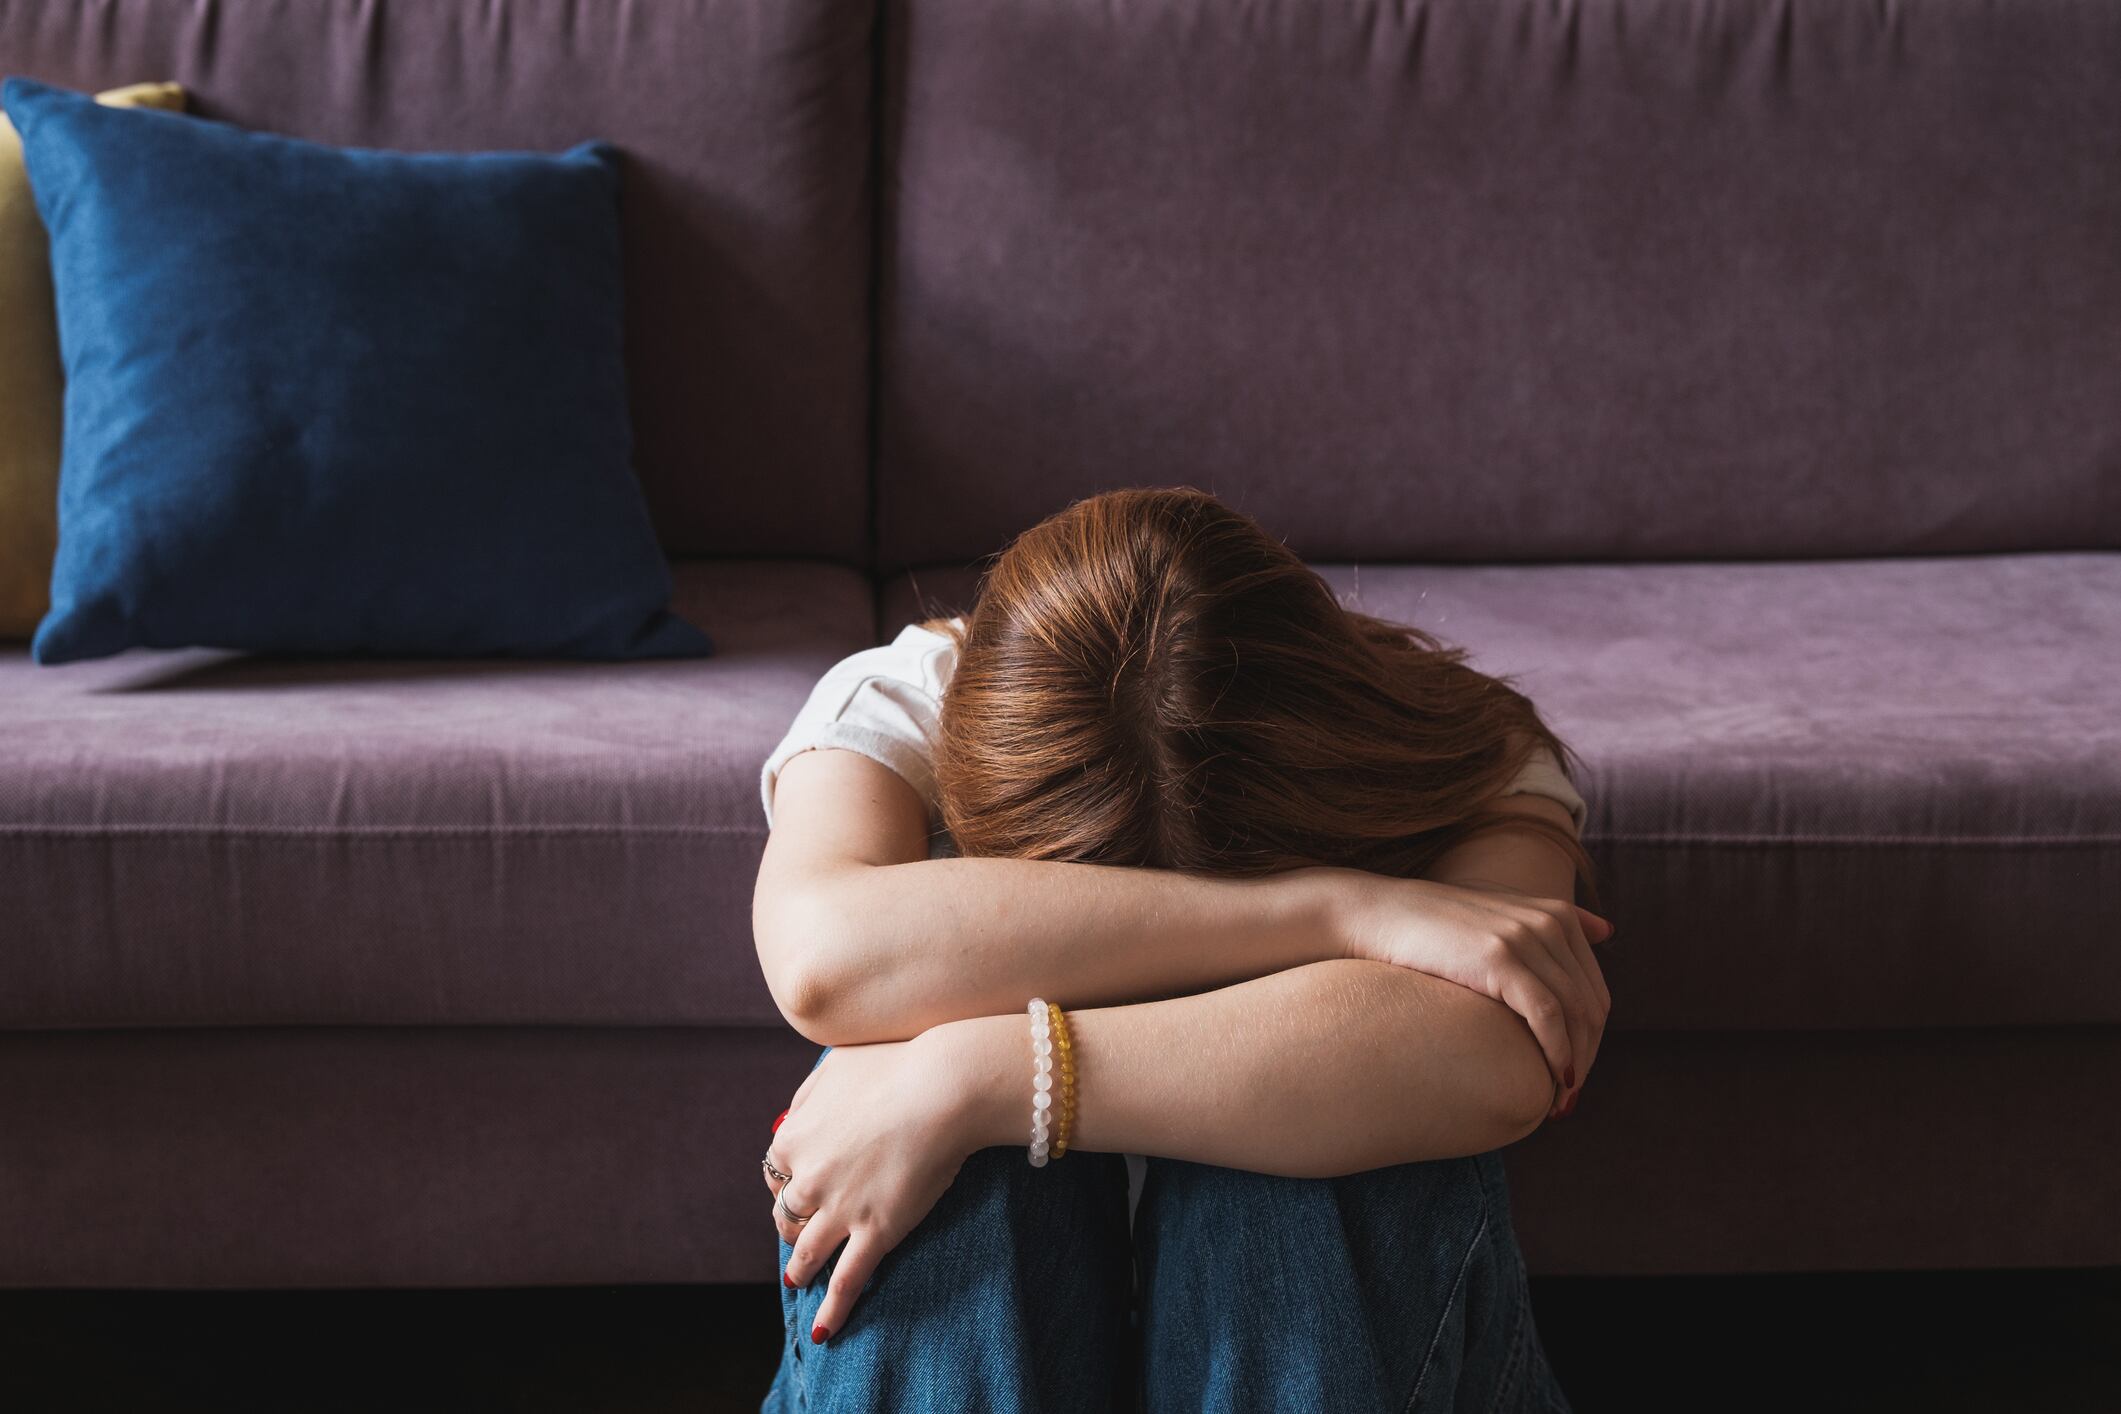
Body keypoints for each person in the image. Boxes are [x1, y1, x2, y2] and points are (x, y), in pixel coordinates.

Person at [753, 487, 1612, 1412]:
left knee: (1332, 1146)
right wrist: (1334, 910)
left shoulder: (1458, 749)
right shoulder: (913, 697)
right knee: (958, 1167)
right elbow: (824, 958)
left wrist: (980, 1075)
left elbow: (1496, 1056)